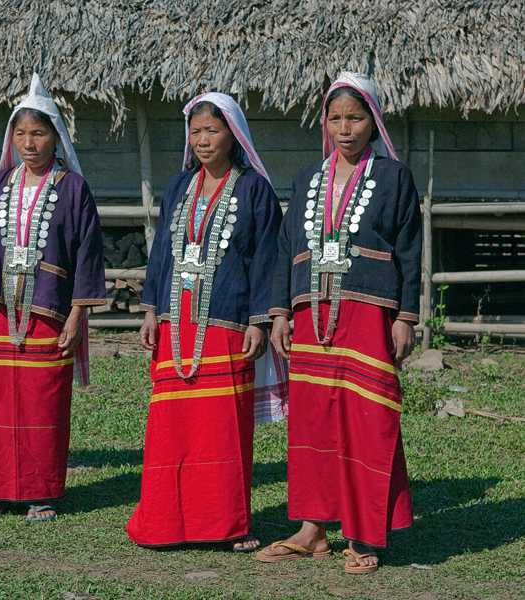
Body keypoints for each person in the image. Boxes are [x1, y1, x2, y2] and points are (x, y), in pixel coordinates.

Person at [256, 72, 421, 574]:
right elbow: (288, 248)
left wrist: (405, 317)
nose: (345, 128)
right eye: (335, 118)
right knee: (313, 421)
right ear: (324, 123)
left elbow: (410, 250)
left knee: (367, 418)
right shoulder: (308, 179)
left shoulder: (394, 178)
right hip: (311, 316)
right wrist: (282, 312)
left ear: (373, 120)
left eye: (355, 118)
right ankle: (312, 530)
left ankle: (364, 535)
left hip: (368, 314)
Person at [126, 93, 285, 550]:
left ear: (232, 135)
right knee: (172, 429)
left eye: (211, 131)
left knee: (222, 431)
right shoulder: (177, 188)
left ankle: (226, 524)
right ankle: (164, 523)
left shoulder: (254, 189)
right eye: (195, 132)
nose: (202, 140)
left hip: (228, 323)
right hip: (177, 327)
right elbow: (160, 256)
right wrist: (152, 310)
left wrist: (258, 320)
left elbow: (265, 259)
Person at [0, 73, 106, 522]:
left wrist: (76, 317)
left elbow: (85, 255)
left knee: (43, 398)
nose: (29, 143)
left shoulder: (74, 190)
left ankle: (41, 490)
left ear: (55, 137)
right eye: (20, 133)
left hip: (48, 311)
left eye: (38, 133)